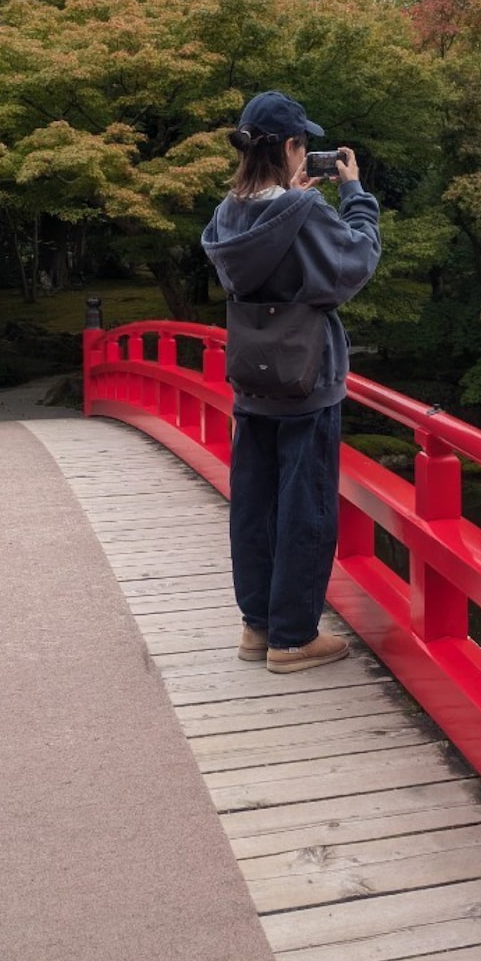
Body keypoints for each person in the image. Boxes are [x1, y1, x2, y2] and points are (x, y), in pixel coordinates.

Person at [201, 91, 381, 674]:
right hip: (306, 376)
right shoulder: (302, 212)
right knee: (306, 507)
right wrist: (355, 195)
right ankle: (294, 637)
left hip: (252, 377)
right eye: (304, 144)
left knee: (254, 506)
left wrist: (298, 201)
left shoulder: (227, 213)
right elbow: (354, 262)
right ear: (290, 148)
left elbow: (263, 253)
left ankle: (257, 626)